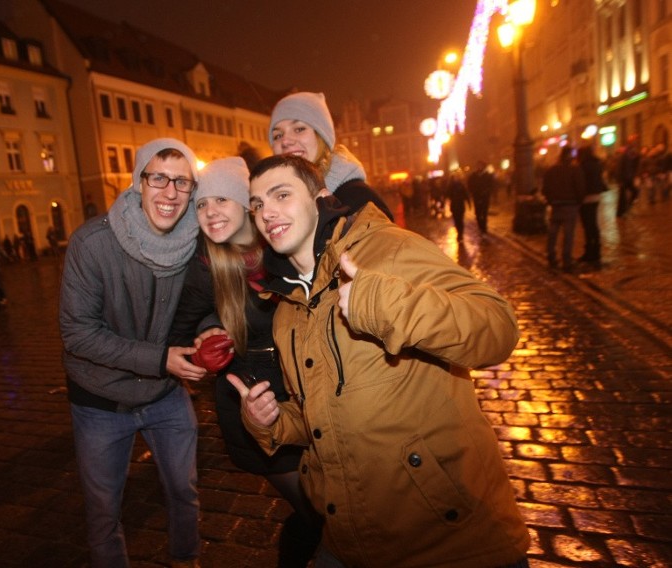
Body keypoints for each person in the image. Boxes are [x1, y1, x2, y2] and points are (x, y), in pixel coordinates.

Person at [229, 154, 529, 568]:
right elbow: (319, 414)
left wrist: (388, 304)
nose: (267, 212)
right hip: (347, 538)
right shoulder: (286, 309)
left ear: (320, 198)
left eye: (282, 194)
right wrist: (270, 422)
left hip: (448, 540)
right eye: (257, 204)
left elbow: (497, 328)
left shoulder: (388, 248)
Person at [59, 138, 205, 568]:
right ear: (138, 182)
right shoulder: (92, 243)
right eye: (158, 177)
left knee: (184, 490)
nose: (170, 192)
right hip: (99, 401)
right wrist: (160, 359)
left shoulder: (196, 243)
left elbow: (202, 307)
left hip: (164, 395)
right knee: (104, 510)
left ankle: (186, 559)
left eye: (182, 181)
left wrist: (210, 330)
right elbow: (77, 333)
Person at [170, 157, 321, 567]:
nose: (210, 211)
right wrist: (205, 334)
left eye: (221, 199)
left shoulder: (285, 242)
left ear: (247, 204)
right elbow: (180, 331)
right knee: (316, 511)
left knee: (327, 507)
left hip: (310, 395)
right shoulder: (205, 266)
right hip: (253, 401)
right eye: (201, 204)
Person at [268, 91, 393, 220]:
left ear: (322, 136)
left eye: (299, 129)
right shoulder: (273, 208)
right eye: (278, 135)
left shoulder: (358, 199)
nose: (285, 141)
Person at [542, 146, 586, 272]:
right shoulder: (575, 170)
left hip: (556, 205)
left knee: (553, 233)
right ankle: (566, 261)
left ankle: (551, 256)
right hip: (570, 205)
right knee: (568, 235)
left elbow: (545, 189)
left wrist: (551, 200)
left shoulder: (551, 170)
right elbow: (580, 188)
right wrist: (579, 202)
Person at [576, 146, 606, 267]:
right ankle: (597, 251)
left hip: (586, 197)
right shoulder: (597, 164)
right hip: (596, 196)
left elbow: (581, 183)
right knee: (593, 224)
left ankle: (589, 252)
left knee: (588, 225)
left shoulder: (583, 166)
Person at [467, 160, 495, 235]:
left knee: (484, 212)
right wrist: (473, 192)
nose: (479, 167)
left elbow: (491, 185)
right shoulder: (473, 176)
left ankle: (484, 227)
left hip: (485, 197)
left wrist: (487, 192)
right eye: (478, 165)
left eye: (481, 165)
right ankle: (480, 225)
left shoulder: (487, 175)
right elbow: (469, 185)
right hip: (477, 197)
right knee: (478, 213)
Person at [446, 172, 473, 242]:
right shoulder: (451, 186)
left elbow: (466, 195)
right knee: (456, 221)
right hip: (454, 206)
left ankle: (460, 234)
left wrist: (469, 203)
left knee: (460, 221)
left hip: (460, 205)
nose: (456, 178)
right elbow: (447, 194)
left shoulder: (461, 185)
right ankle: (459, 233)